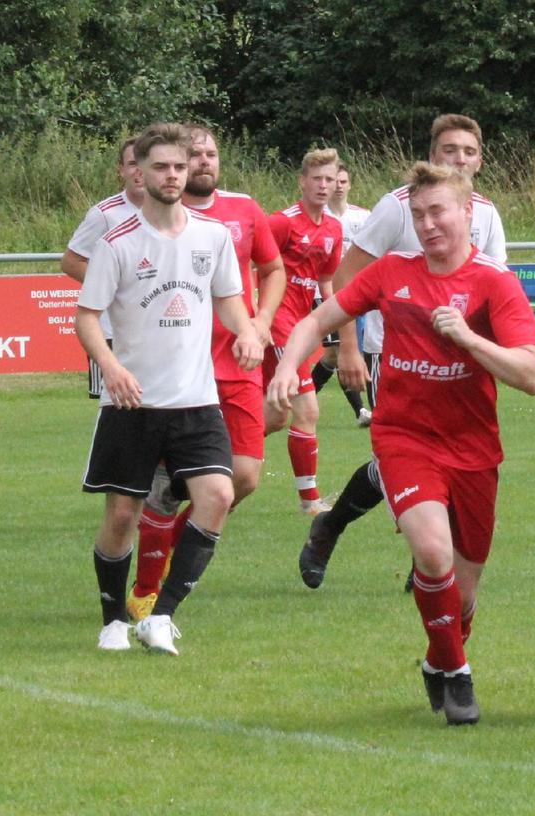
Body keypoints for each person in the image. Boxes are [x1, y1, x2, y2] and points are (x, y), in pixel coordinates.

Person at [268, 161, 535, 724]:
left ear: (468, 213)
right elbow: (314, 321)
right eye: (417, 214)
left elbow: (531, 376)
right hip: (405, 439)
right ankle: (459, 674)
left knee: (461, 597)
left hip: (473, 447)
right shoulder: (392, 271)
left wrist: (467, 338)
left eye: (438, 211)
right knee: (433, 553)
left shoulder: (494, 283)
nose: (428, 223)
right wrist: (285, 367)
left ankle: (441, 659)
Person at [75, 122, 264, 655]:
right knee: (121, 516)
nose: (173, 175)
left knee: (220, 494)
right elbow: (87, 317)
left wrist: (247, 330)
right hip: (132, 403)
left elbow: (229, 298)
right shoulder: (117, 242)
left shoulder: (213, 236)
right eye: (161, 167)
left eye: (180, 166)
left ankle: (161, 616)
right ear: (139, 170)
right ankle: (113, 619)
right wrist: (110, 367)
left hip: (196, 401)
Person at [298, 114, 508, 591]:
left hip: (463, 366)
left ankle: (353, 533)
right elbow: (346, 281)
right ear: (432, 156)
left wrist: (495, 352)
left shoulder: (487, 214)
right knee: (409, 456)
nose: (459, 159)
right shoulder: (398, 207)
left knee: (450, 461)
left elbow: (498, 288)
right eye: (449, 150)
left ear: (480, 159)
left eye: (469, 152)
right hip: (399, 354)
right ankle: (339, 530)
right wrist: (347, 347)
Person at [122, 123, 284, 622]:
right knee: (165, 485)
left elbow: (273, 270)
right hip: (179, 365)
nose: (205, 161)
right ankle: (147, 588)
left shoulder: (245, 211)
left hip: (237, 362)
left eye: (213, 153)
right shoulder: (156, 215)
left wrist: (258, 325)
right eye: (195, 155)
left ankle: (169, 533)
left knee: (246, 477)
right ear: (177, 164)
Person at [265, 148, 344, 515]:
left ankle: (211, 453)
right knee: (307, 409)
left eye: (330, 179)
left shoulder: (334, 229)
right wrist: (257, 318)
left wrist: (337, 327)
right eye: (317, 178)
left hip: (300, 326)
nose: (324, 185)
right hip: (276, 323)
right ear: (302, 181)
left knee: (276, 417)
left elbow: (326, 282)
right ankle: (309, 502)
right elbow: (251, 265)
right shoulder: (282, 222)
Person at [62, 136, 144, 400]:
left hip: (155, 330)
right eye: (132, 164)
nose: (139, 171)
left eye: (145, 163)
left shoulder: (176, 212)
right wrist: (114, 285)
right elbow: (71, 261)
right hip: (111, 331)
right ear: (120, 169)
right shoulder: (105, 213)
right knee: (115, 405)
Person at [312, 162, 372, 424]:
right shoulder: (319, 217)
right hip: (324, 292)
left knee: (336, 354)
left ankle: (304, 398)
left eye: (344, 182)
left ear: (350, 185)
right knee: (339, 351)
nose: (339, 186)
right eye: (335, 181)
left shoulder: (363, 217)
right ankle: (361, 411)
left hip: (358, 294)